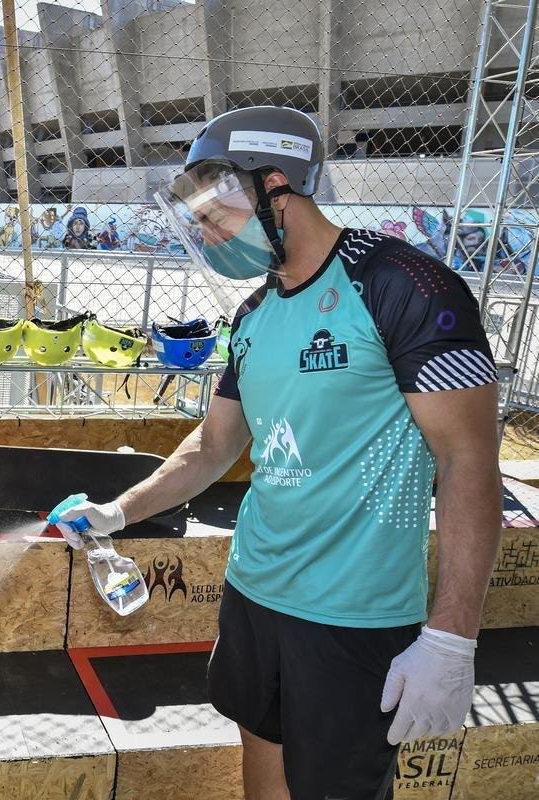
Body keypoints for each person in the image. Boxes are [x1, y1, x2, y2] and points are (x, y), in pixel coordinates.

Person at [52, 105, 502, 800]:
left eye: (213, 215)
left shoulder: (404, 286)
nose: (206, 238)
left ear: (274, 187)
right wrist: (116, 512)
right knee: (261, 768)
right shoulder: (253, 313)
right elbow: (212, 446)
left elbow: (468, 461)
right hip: (254, 593)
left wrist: (451, 636)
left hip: (353, 615)